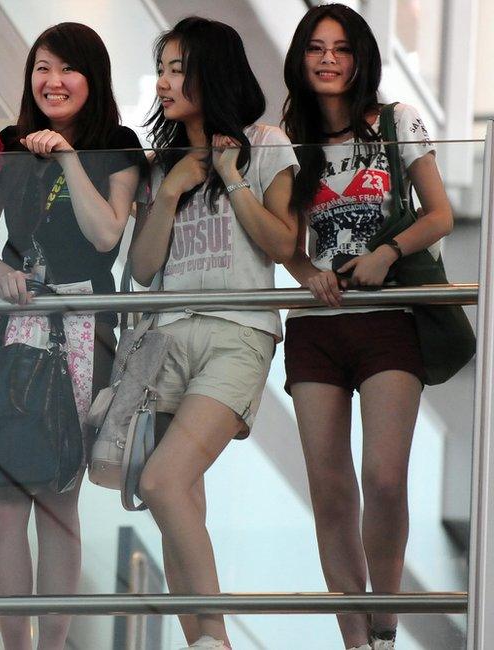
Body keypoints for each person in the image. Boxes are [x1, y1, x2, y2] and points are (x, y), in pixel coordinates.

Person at [0, 22, 143, 650]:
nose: (53, 81)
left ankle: (53, 643)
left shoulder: (116, 144)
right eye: (42, 67)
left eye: (67, 69)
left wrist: (67, 157)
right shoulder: (9, 145)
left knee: (58, 496)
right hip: (12, 326)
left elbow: (104, 236)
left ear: (93, 78)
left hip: (84, 325)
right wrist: (3, 274)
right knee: (2, 500)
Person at [281, 5, 453, 649]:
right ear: (300, 60)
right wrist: (306, 273)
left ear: (360, 59)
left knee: (383, 477)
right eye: (316, 48)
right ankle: (354, 639)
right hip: (317, 325)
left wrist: (387, 252)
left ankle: (384, 624)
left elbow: (438, 215)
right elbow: (285, 243)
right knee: (329, 490)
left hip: (388, 319)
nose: (329, 59)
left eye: (341, 48)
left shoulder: (397, 121)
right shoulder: (289, 143)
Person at [129, 17, 298, 650]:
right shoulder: (163, 163)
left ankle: (216, 639)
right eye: (163, 68)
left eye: (179, 68)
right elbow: (143, 268)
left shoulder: (266, 141)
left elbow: (284, 244)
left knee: (160, 483)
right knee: (182, 503)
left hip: (238, 333)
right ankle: (198, 641)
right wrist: (171, 192)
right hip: (168, 335)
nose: (166, 82)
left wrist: (230, 175)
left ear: (212, 72)